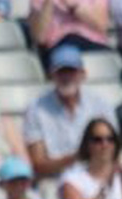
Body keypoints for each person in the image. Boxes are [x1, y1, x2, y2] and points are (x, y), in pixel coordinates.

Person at [24, 45, 116, 181]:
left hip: (96, 178)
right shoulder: (36, 109)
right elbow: (38, 164)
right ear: (51, 75)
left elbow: (113, 151)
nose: (66, 77)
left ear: (83, 74)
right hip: (54, 181)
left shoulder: (100, 105)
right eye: (61, 72)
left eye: (71, 71)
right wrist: (76, 158)